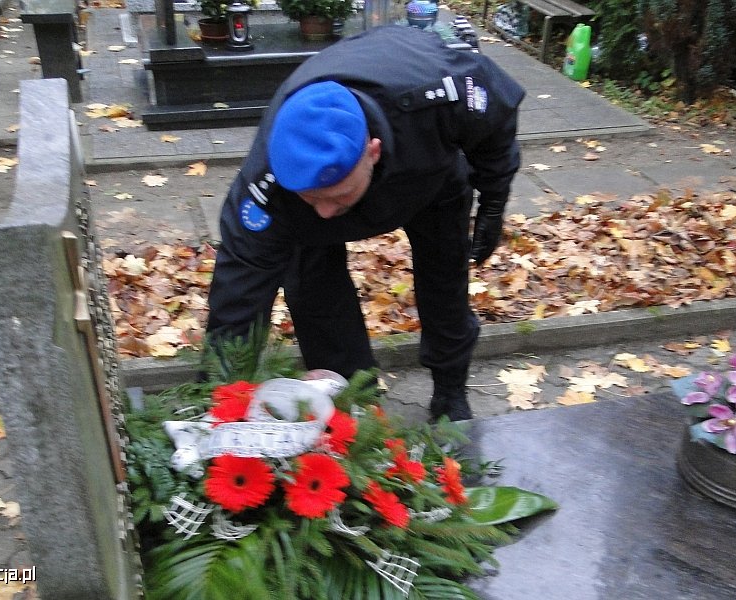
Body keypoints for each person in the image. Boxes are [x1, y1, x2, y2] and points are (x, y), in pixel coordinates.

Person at [206, 24, 525, 421]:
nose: (325, 210)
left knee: (445, 280)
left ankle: (450, 391)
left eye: (336, 195)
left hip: (428, 177)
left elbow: (495, 122)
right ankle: (351, 405)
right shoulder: (269, 184)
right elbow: (237, 298)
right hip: (298, 215)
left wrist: (493, 200)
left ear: (372, 151)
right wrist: (219, 402)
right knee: (314, 290)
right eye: (314, 198)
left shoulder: (442, 91)